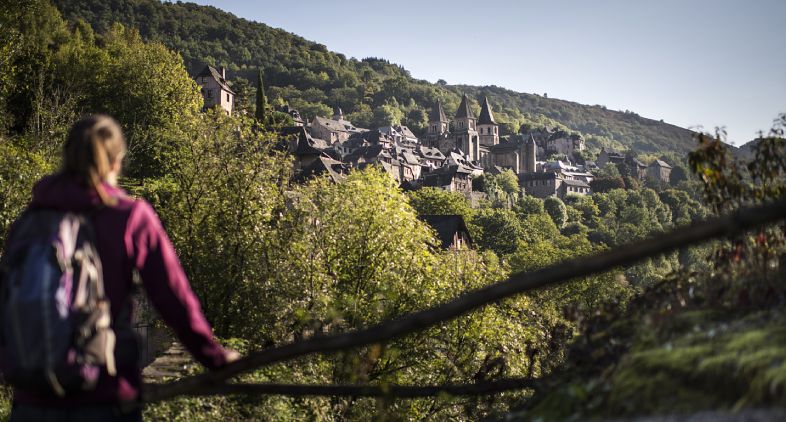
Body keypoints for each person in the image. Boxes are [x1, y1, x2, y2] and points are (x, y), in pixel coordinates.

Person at [3, 115, 238, 421]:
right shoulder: (130, 216)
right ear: (116, 161)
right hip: (104, 394)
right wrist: (214, 357)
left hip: (33, 398)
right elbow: (173, 298)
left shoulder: (31, 219)